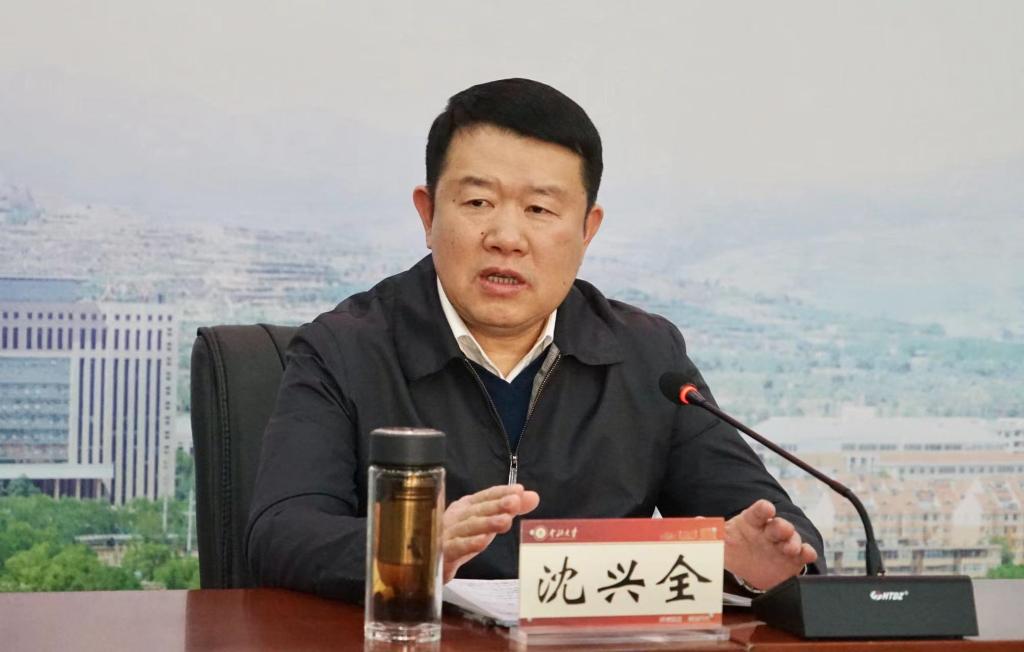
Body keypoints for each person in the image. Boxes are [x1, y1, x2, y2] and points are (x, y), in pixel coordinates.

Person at [246, 78, 823, 602]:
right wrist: (418, 548)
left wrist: (756, 561)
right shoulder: (344, 350)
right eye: (478, 202)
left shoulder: (647, 358)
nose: (506, 236)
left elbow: (776, 529)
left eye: (540, 209)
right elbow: (281, 533)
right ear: (428, 213)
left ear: (587, 230)